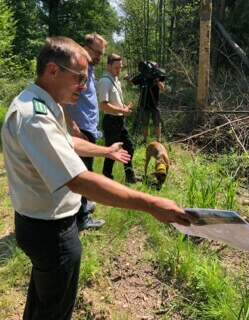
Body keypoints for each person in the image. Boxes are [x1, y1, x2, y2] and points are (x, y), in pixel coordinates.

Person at [1, 36, 197, 320]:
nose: (84, 86)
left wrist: (105, 150)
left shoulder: (42, 102)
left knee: (43, 304)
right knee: (54, 312)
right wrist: (151, 204)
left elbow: (66, 142)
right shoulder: (35, 116)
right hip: (50, 231)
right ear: (53, 70)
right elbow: (79, 180)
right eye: (79, 77)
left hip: (42, 224)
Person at [65, 33, 107, 231]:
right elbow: (62, 96)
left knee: (85, 169)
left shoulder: (90, 70)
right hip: (81, 128)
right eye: (96, 52)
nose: (99, 56)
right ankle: (81, 218)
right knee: (83, 173)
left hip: (89, 127)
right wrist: (71, 124)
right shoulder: (78, 70)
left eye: (101, 53)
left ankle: (81, 206)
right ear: (86, 48)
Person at [98, 53, 139, 183]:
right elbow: (104, 105)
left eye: (121, 67)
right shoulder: (105, 81)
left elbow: (115, 102)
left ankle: (129, 176)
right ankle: (107, 177)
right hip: (111, 121)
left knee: (129, 147)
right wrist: (122, 110)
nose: (119, 70)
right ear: (109, 66)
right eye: (116, 67)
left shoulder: (117, 80)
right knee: (111, 151)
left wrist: (125, 107)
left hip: (120, 121)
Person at [125, 61, 165, 143]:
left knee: (157, 122)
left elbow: (162, 88)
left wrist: (157, 80)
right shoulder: (142, 76)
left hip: (155, 104)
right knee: (144, 123)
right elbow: (131, 83)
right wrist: (127, 79)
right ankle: (144, 140)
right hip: (144, 103)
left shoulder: (156, 75)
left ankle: (159, 140)